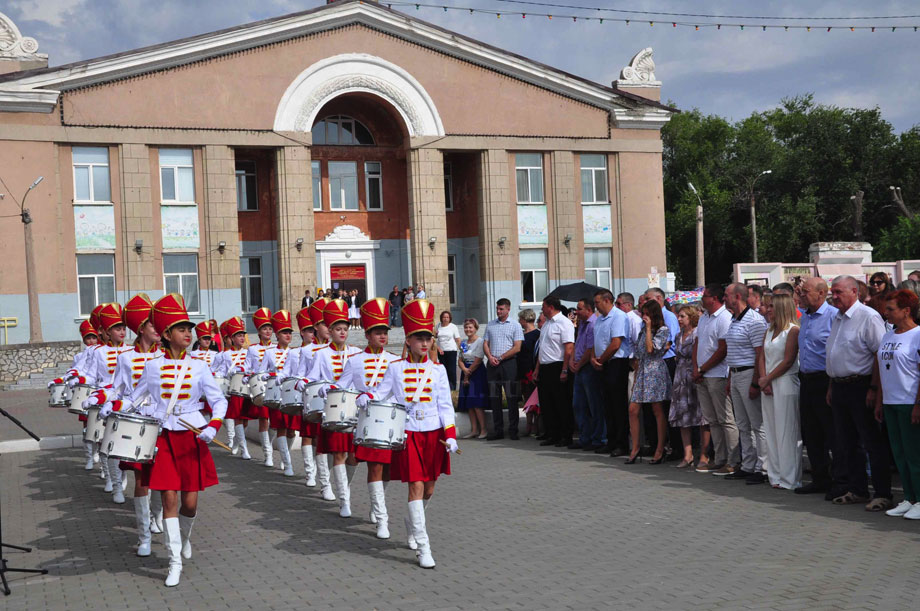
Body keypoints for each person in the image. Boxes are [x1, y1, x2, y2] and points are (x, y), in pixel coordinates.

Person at [114, 293, 228, 587]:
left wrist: (213, 425)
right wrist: (110, 404)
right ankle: (173, 561)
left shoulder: (200, 366)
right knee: (169, 499)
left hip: (192, 438)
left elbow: (218, 401)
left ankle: (185, 537)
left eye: (189, 329)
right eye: (181, 329)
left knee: (190, 503)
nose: (188, 334)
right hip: (163, 438)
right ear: (166, 334)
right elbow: (134, 399)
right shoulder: (152, 366)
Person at [357, 298, 458, 569]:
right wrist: (366, 396)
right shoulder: (395, 368)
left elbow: (445, 406)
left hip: (434, 434)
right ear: (409, 340)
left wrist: (450, 435)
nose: (425, 343)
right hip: (409, 433)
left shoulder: (438, 370)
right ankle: (423, 547)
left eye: (428, 338)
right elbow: (380, 393)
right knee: (415, 485)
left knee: (430, 488)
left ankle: (413, 521)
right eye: (419, 338)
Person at [335, 297, 400, 537]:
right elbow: (341, 388)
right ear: (367, 335)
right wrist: (328, 390)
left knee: (387, 469)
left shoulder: (395, 360)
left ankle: (376, 505)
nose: (382, 337)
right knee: (361, 462)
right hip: (363, 419)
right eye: (377, 332)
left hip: (389, 421)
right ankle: (377, 515)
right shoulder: (354, 361)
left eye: (385, 332)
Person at [825, 275, 891, 511]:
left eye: (838, 292)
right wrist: (832, 386)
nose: (834, 296)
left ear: (854, 291)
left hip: (861, 386)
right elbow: (835, 354)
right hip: (840, 385)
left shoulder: (868, 316)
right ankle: (858, 489)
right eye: (832, 292)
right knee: (847, 442)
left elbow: (879, 354)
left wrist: (874, 389)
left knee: (872, 441)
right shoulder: (838, 317)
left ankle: (883, 492)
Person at [307, 299, 363, 513]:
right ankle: (344, 500)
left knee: (354, 457)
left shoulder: (357, 353)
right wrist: (319, 386)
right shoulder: (321, 354)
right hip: (331, 409)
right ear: (329, 331)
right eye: (338, 329)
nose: (342, 332)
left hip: (354, 410)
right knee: (338, 453)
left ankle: (343, 488)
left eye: (345, 329)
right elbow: (313, 378)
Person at [873, 290, 920, 519]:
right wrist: (880, 400)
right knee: (899, 453)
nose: (886, 313)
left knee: (914, 454)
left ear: (906, 311)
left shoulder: (918, 335)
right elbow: (883, 369)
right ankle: (909, 498)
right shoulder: (888, 335)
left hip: (909, 402)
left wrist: (918, 404)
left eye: (891, 309)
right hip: (891, 402)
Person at [794, 277, 840, 496]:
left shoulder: (832, 316)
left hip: (825, 379)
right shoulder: (806, 318)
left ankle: (839, 480)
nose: (802, 294)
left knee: (831, 432)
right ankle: (819, 478)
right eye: (801, 291)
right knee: (811, 432)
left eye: (806, 291)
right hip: (806, 378)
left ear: (822, 293)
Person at [722, 283, 769, 484]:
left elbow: (760, 353)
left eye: (726, 295)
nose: (724, 298)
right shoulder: (734, 319)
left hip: (749, 373)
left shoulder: (755, 321)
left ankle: (763, 467)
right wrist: (730, 377)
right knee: (742, 423)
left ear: (737, 296)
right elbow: (734, 351)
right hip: (736, 373)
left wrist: (755, 382)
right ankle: (748, 464)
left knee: (757, 424)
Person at [757, 293, 802, 490]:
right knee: (771, 430)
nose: (767, 310)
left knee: (787, 431)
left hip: (785, 382)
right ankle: (775, 475)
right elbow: (762, 357)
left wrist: (768, 377)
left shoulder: (792, 330)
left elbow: (788, 360)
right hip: (768, 383)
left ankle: (790, 478)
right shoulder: (769, 330)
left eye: (771, 307)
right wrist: (763, 380)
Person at [692, 284, 738, 475]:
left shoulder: (724, 318)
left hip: (717, 374)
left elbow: (723, 349)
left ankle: (733, 460)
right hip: (703, 376)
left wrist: (703, 368)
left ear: (715, 298)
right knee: (712, 420)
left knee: (726, 419)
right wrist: (696, 368)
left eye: (706, 295)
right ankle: (719, 458)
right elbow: (697, 343)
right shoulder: (704, 317)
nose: (703, 298)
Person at [625, 300, 672, 464]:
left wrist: (650, 328)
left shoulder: (663, 330)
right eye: (642, 313)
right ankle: (636, 447)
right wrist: (636, 372)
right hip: (642, 370)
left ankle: (660, 448)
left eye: (646, 313)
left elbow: (651, 349)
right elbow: (639, 352)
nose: (643, 316)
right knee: (633, 409)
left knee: (657, 410)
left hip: (655, 370)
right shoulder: (643, 330)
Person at [256, 310, 297, 477]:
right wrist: (266, 375)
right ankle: (287, 463)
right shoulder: (269, 352)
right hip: (275, 393)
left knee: (292, 431)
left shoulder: (295, 352)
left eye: (289, 332)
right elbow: (261, 372)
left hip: (292, 393)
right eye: (284, 332)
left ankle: (283, 456)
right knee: (280, 428)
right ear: (277, 335)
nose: (287, 335)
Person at [534, 295, 575, 447]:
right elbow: (542, 349)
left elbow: (569, 347)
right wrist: (537, 369)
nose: (542, 309)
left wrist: (564, 369)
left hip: (558, 365)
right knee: (547, 403)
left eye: (543, 306)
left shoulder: (564, 323)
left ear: (551, 307)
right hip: (545, 366)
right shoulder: (546, 324)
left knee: (561, 403)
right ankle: (552, 434)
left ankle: (566, 435)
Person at [591, 290, 629, 456]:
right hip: (603, 363)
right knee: (607, 405)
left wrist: (601, 359)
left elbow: (615, 343)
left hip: (616, 363)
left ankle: (621, 443)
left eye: (597, 302)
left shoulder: (618, 316)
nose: (595, 306)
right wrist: (594, 358)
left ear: (607, 300)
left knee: (618, 405)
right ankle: (611, 441)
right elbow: (596, 342)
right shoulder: (599, 319)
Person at [644, 288, 680, 460]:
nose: (646, 303)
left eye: (649, 299)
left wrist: (653, 350)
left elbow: (668, 343)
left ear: (659, 298)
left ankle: (673, 446)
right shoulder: (648, 320)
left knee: (666, 406)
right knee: (653, 407)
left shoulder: (669, 317)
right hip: (650, 364)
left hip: (665, 362)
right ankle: (656, 444)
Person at [482, 298, 524, 440]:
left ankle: (513, 430)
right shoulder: (490, 325)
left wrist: (501, 357)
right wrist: (490, 356)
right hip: (493, 365)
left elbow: (517, 347)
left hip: (508, 364)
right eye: (497, 309)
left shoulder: (515, 325)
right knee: (495, 398)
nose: (498, 312)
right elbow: (486, 343)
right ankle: (498, 430)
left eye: (501, 309)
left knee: (512, 398)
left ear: (508, 309)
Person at [670, 305, 705, 468]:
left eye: (682, 316)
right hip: (680, 376)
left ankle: (704, 453)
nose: (679, 319)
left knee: (700, 415)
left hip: (694, 374)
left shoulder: (698, 333)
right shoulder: (678, 335)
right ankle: (688, 453)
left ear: (691, 317)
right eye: (679, 316)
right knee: (683, 415)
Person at [212, 316, 251, 460]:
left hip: (247, 388)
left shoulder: (249, 352)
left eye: (243, 335)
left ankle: (235, 443)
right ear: (232, 338)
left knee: (245, 421)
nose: (242, 338)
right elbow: (221, 371)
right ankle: (244, 448)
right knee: (238, 419)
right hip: (234, 389)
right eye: (238, 335)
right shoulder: (226, 355)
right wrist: (221, 373)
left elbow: (253, 367)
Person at [243, 307, 275, 466]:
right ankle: (267, 454)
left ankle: (280, 451)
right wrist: (247, 375)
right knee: (264, 420)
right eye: (265, 329)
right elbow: (247, 366)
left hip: (275, 387)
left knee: (276, 423)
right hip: (260, 388)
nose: (268, 331)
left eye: (270, 328)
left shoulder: (277, 347)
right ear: (259, 331)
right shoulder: (253, 348)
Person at [571, 298, 603, 451]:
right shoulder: (582, 324)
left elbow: (590, 349)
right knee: (579, 405)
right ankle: (585, 437)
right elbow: (577, 344)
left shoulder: (594, 324)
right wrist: (572, 360)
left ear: (589, 310)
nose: (576, 311)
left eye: (579, 308)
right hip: (579, 368)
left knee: (594, 405)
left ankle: (597, 438)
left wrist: (579, 364)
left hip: (588, 368)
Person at [457, 318, 487, 438]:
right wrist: (464, 370)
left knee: (477, 403)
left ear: (476, 328)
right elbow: (460, 359)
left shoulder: (480, 341)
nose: (468, 330)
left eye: (470, 327)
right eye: (466, 327)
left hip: (477, 373)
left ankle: (483, 430)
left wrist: (467, 374)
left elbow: (478, 360)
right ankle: (474, 430)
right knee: (469, 403)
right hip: (466, 370)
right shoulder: (463, 343)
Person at [517, 309, 540, 437]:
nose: (519, 322)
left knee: (535, 399)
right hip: (522, 370)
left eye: (520, 319)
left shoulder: (537, 334)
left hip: (532, 371)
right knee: (526, 398)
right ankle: (528, 423)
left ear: (525, 320)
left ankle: (536, 424)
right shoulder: (520, 334)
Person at [435, 311, 461, 390]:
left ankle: (452, 387)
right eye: (444, 317)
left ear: (450, 318)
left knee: (451, 370)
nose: (445, 319)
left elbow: (458, 339)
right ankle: (444, 387)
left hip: (451, 350)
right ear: (441, 318)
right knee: (443, 370)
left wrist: (462, 349)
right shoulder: (438, 326)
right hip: (441, 351)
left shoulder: (453, 327)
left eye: (447, 317)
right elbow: (434, 338)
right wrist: (438, 348)